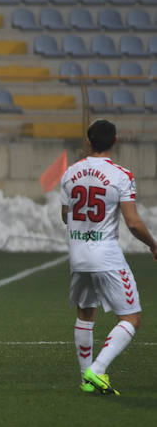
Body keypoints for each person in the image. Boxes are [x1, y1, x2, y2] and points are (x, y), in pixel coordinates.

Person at [61, 119, 157, 395]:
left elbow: (65, 216)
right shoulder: (121, 175)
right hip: (106, 257)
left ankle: (85, 378)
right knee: (131, 318)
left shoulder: (70, 173)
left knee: (85, 313)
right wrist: (153, 244)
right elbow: (134, 223)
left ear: (88, 141)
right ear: (114, 142)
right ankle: (98, 369)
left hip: (78, 256)